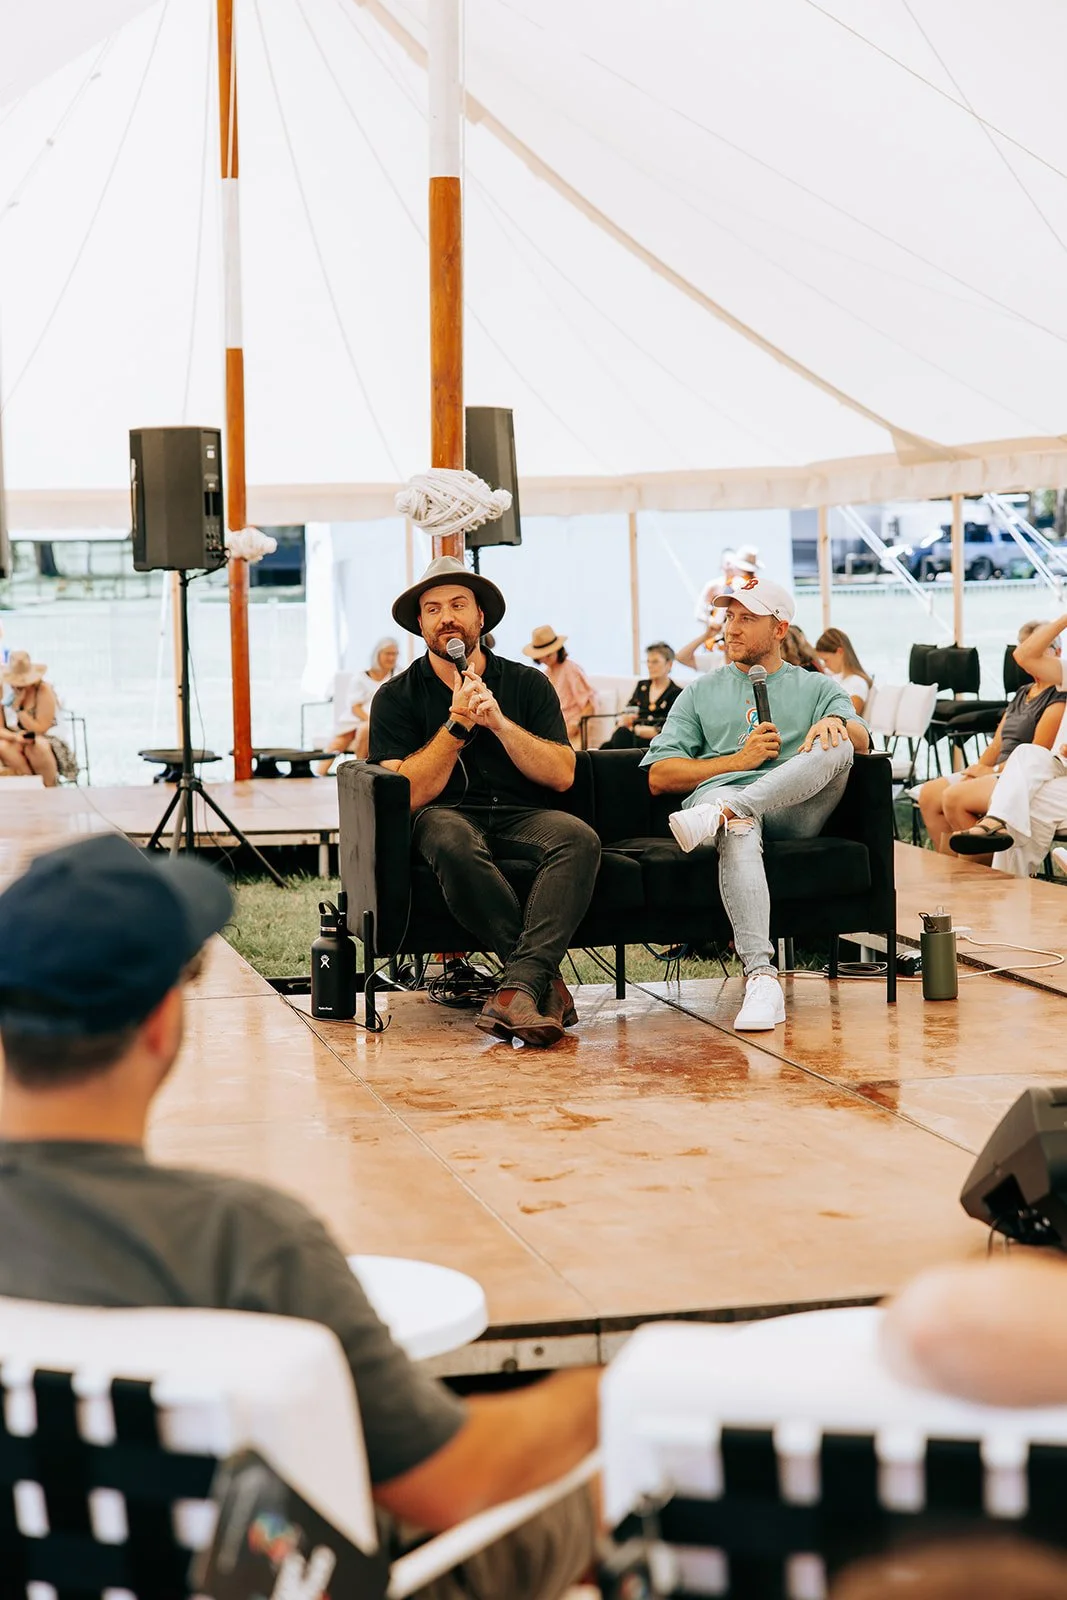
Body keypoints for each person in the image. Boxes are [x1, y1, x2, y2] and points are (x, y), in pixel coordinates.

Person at [0, 834, 598, 1598]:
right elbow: (453, 1484)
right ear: (159, 1024)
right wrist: (595, 1396)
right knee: (598, 1495)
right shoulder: (244, 1242)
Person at [369, 558, 601, 1049]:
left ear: (480, 618)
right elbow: (405, 794)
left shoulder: (527, 683)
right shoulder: (395, 696)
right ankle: (540, 983)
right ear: (421, 624)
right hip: (444, 816)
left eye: (458, 605)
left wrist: (499, 723)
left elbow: (562, 774)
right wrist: (456, 726)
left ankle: (516, 989)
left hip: (521, 814)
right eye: (433, 609)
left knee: (578, 837)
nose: (446, 618)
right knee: (451, 837)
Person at [642, 574, 869, 1032]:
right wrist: (737, 761)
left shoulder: (816, 687)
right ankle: (762, 978)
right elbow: (659, 776)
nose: (732, 628)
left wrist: (835, 720)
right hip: (723, 798)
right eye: (729, 617)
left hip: (793, 809)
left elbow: (861, 741)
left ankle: (730, 810)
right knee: (740, 827)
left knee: (840, 741)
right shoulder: (699, 692)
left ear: (779, 629)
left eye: (747, 618)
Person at [916, 621, 1066, 857]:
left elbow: (1039, 754)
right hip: (1001, 769)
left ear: (1057, 652)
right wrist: (976, 769)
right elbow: (997, 743)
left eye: (1041, 648)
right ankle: (951, 868)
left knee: (953, 798)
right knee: (929, 795)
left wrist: (990, 771)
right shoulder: (1023, 692)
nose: (1033, 653)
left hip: (1017, 773)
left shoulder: (1058, 696)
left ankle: (976, 870)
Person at [321, 637, 400, 771]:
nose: (392, 658)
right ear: (378, 654)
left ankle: (359, 770)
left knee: (365, 729)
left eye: (395, 654)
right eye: (388, 654)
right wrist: (371, 720)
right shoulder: (360, 678)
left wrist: (376, 722)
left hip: (382, 721)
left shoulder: (399, 676)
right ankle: (317, 774)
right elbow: (355, 707)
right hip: (358, 718)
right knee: (339, 742)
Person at [0, 651, 67, 786]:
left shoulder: (42, 690)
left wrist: (19, 710)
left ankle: (49, 786)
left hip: (44, 737)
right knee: (3, 746)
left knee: (37, 747)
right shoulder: (3, 691)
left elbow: (41, 728)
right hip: (15, 737)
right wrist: (15, 737)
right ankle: (32, 784)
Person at [523, 627, 596, 749]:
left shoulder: (570, 669)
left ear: (557, 650)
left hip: (574, 733)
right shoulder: (545, 674)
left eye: (548, 655)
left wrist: (575, 725)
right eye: (541, 656)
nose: (545, 659)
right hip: (552, 732)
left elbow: (589, 705)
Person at [600, 642, 682, 749]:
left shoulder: (676, 693)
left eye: (655, 662)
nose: (650, 666)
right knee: (606, 746)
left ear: (669, 664)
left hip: (655, 743)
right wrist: (625, 719)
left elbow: (672, 729)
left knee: (620, 736)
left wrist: (640, 730)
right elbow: (629, 710)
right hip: (631, 737)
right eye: (648, 661)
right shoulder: (642, 686)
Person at [814, 628, 872, 713]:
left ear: (840, 651)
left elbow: (847, 715)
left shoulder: (857, 683)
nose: (825, 665)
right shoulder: (836, 677)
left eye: (826, 660)